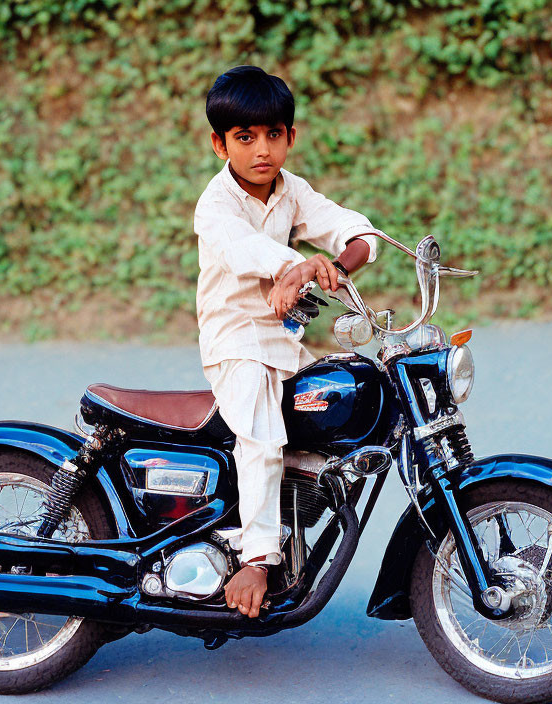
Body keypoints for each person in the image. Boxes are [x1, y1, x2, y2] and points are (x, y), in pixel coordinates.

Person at [195, 65, 381, 618]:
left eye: (274, 135)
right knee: (261, 436)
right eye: (245, 138)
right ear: (219, 144)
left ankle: (292, 533)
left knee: (326, 415)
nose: (262, 150)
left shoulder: (290, 191)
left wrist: (339, 265)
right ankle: (255, 559)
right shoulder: (217, 205)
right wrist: (295, 268)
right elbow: (243, 250)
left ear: (291, 137)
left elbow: (358, 229)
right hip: (236, 340)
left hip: (282, 340)